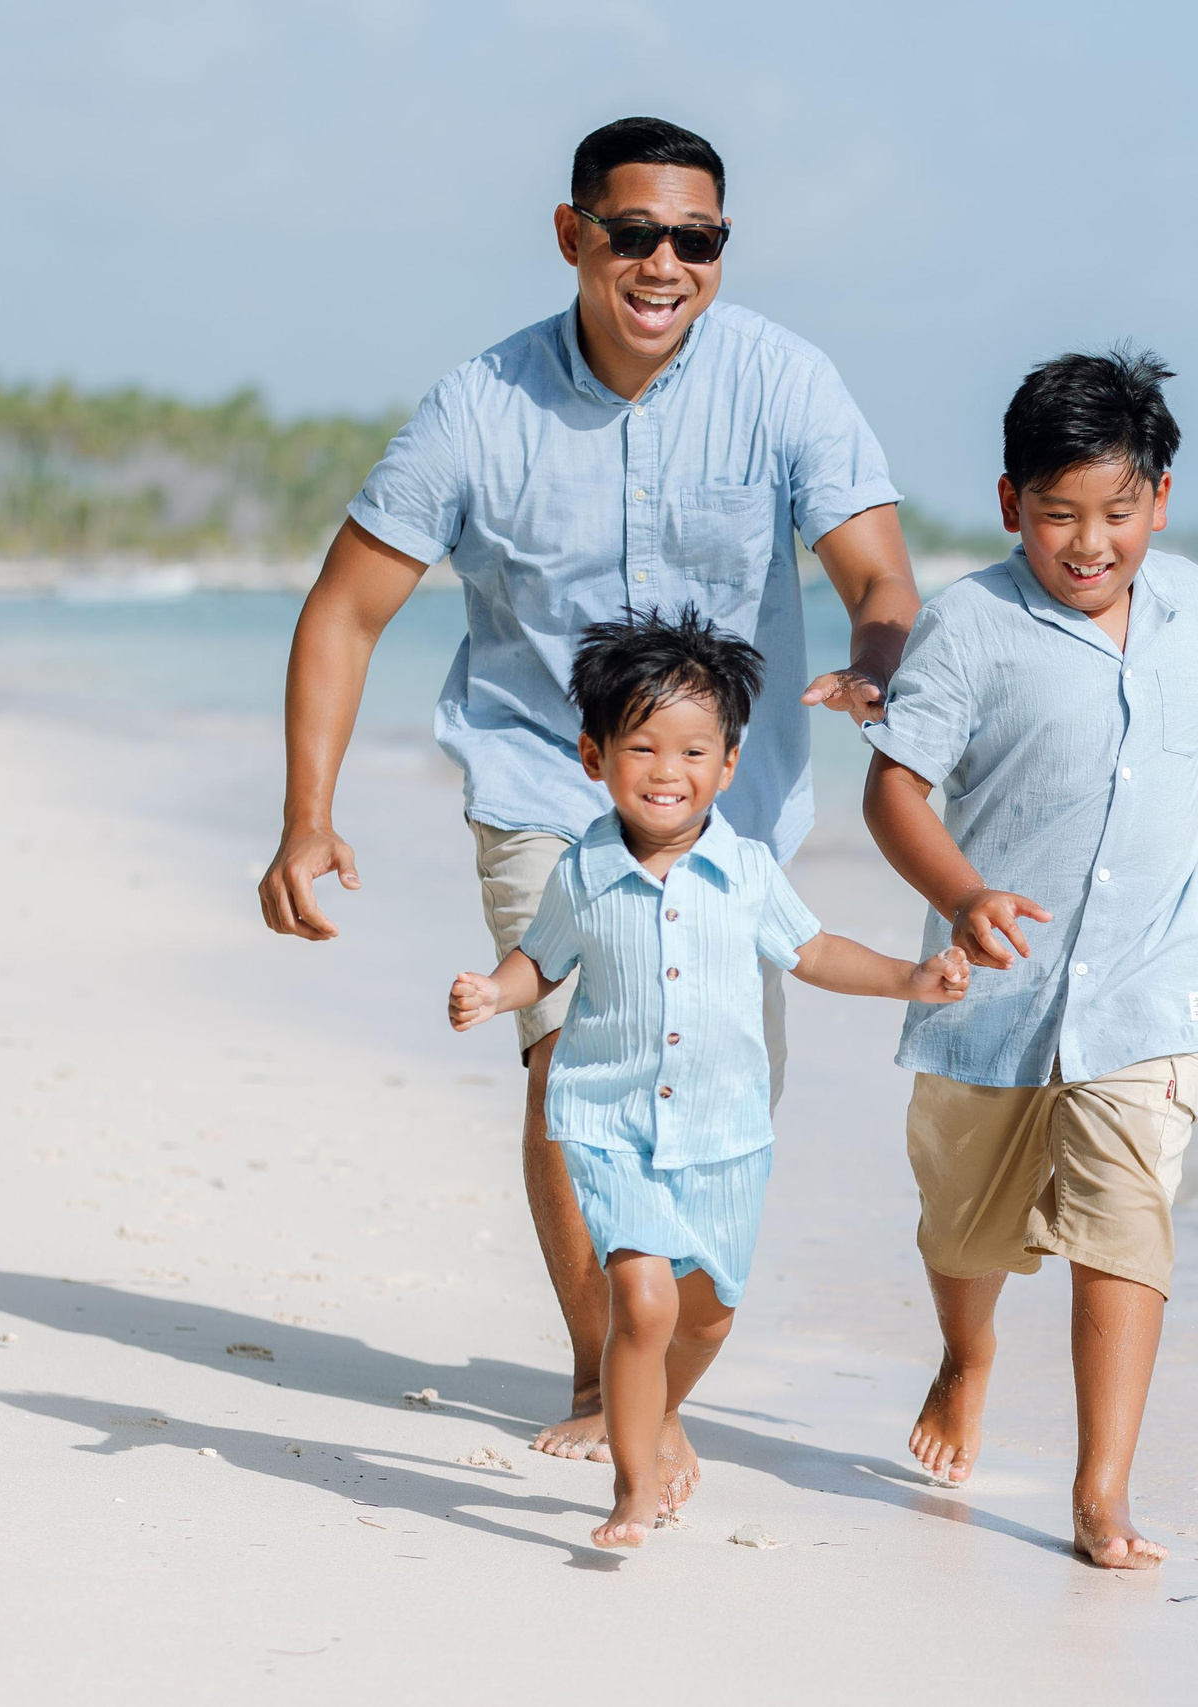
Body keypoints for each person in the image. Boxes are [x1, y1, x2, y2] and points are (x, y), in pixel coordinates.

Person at [257, 116, 922, 1461]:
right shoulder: (478, 406)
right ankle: (601, 1383)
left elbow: (880, 578)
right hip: (540, 781)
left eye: (698, 239)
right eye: (635, 234)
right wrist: (306, 814)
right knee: (578, 1062)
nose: (666, 262)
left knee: (716, 1095)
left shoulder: (785, 383)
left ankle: (647, 1374)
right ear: (574, 236)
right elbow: (342, 608)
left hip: (729, 809)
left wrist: (875, 663)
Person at [450, 610, 969, 1548]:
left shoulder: (748, 869)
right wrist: (494, 992)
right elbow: (541, 961)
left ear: (729, 764)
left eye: (692, 750)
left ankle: (646, 1410)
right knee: (643, 1301)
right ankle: (632, 1484)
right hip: (609, 1121)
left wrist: (909, 976)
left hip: (727, 1133)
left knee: (708, 1316)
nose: (665, 770)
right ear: (592, 755)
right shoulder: (583, 872)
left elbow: (812, 952)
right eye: (640, 746)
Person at [860, 349, 1198, 1569]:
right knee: (965, 1228)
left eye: (1117, 514)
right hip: (998, 991)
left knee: (1125, 1224)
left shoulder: (1195, 604)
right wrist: (962, 896)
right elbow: (892, 792)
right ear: (1009, 501)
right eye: (1059, 515)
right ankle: (966, 1359)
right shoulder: (968, 627)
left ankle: (1099, 1493)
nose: (1090, 544)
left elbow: (1184, 758)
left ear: (1160, 503)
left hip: (1153, 978)